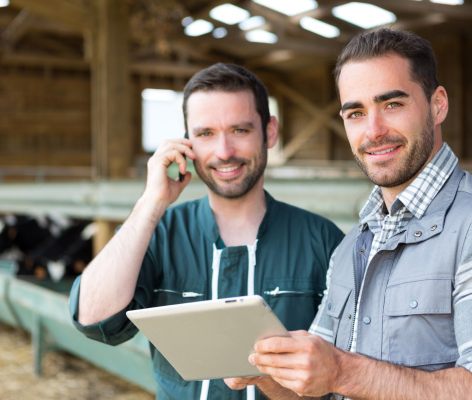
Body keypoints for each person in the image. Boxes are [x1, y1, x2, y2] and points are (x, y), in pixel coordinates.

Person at [226, 28, 472, 400]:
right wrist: (264, 371)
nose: (373, 131)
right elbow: (321, 390)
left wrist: (343, 371)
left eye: (392, 104)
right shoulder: (352, 246)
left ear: (438, 104)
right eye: (356, 113)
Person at [68, 63, 345, 400]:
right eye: (206, 134)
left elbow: (339, 372)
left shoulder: (323, 240)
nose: (224, 151)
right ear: (187, 141)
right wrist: (151, 204)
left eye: (240, 130)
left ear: (270, 131)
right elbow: (93, 319)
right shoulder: (160, 232)